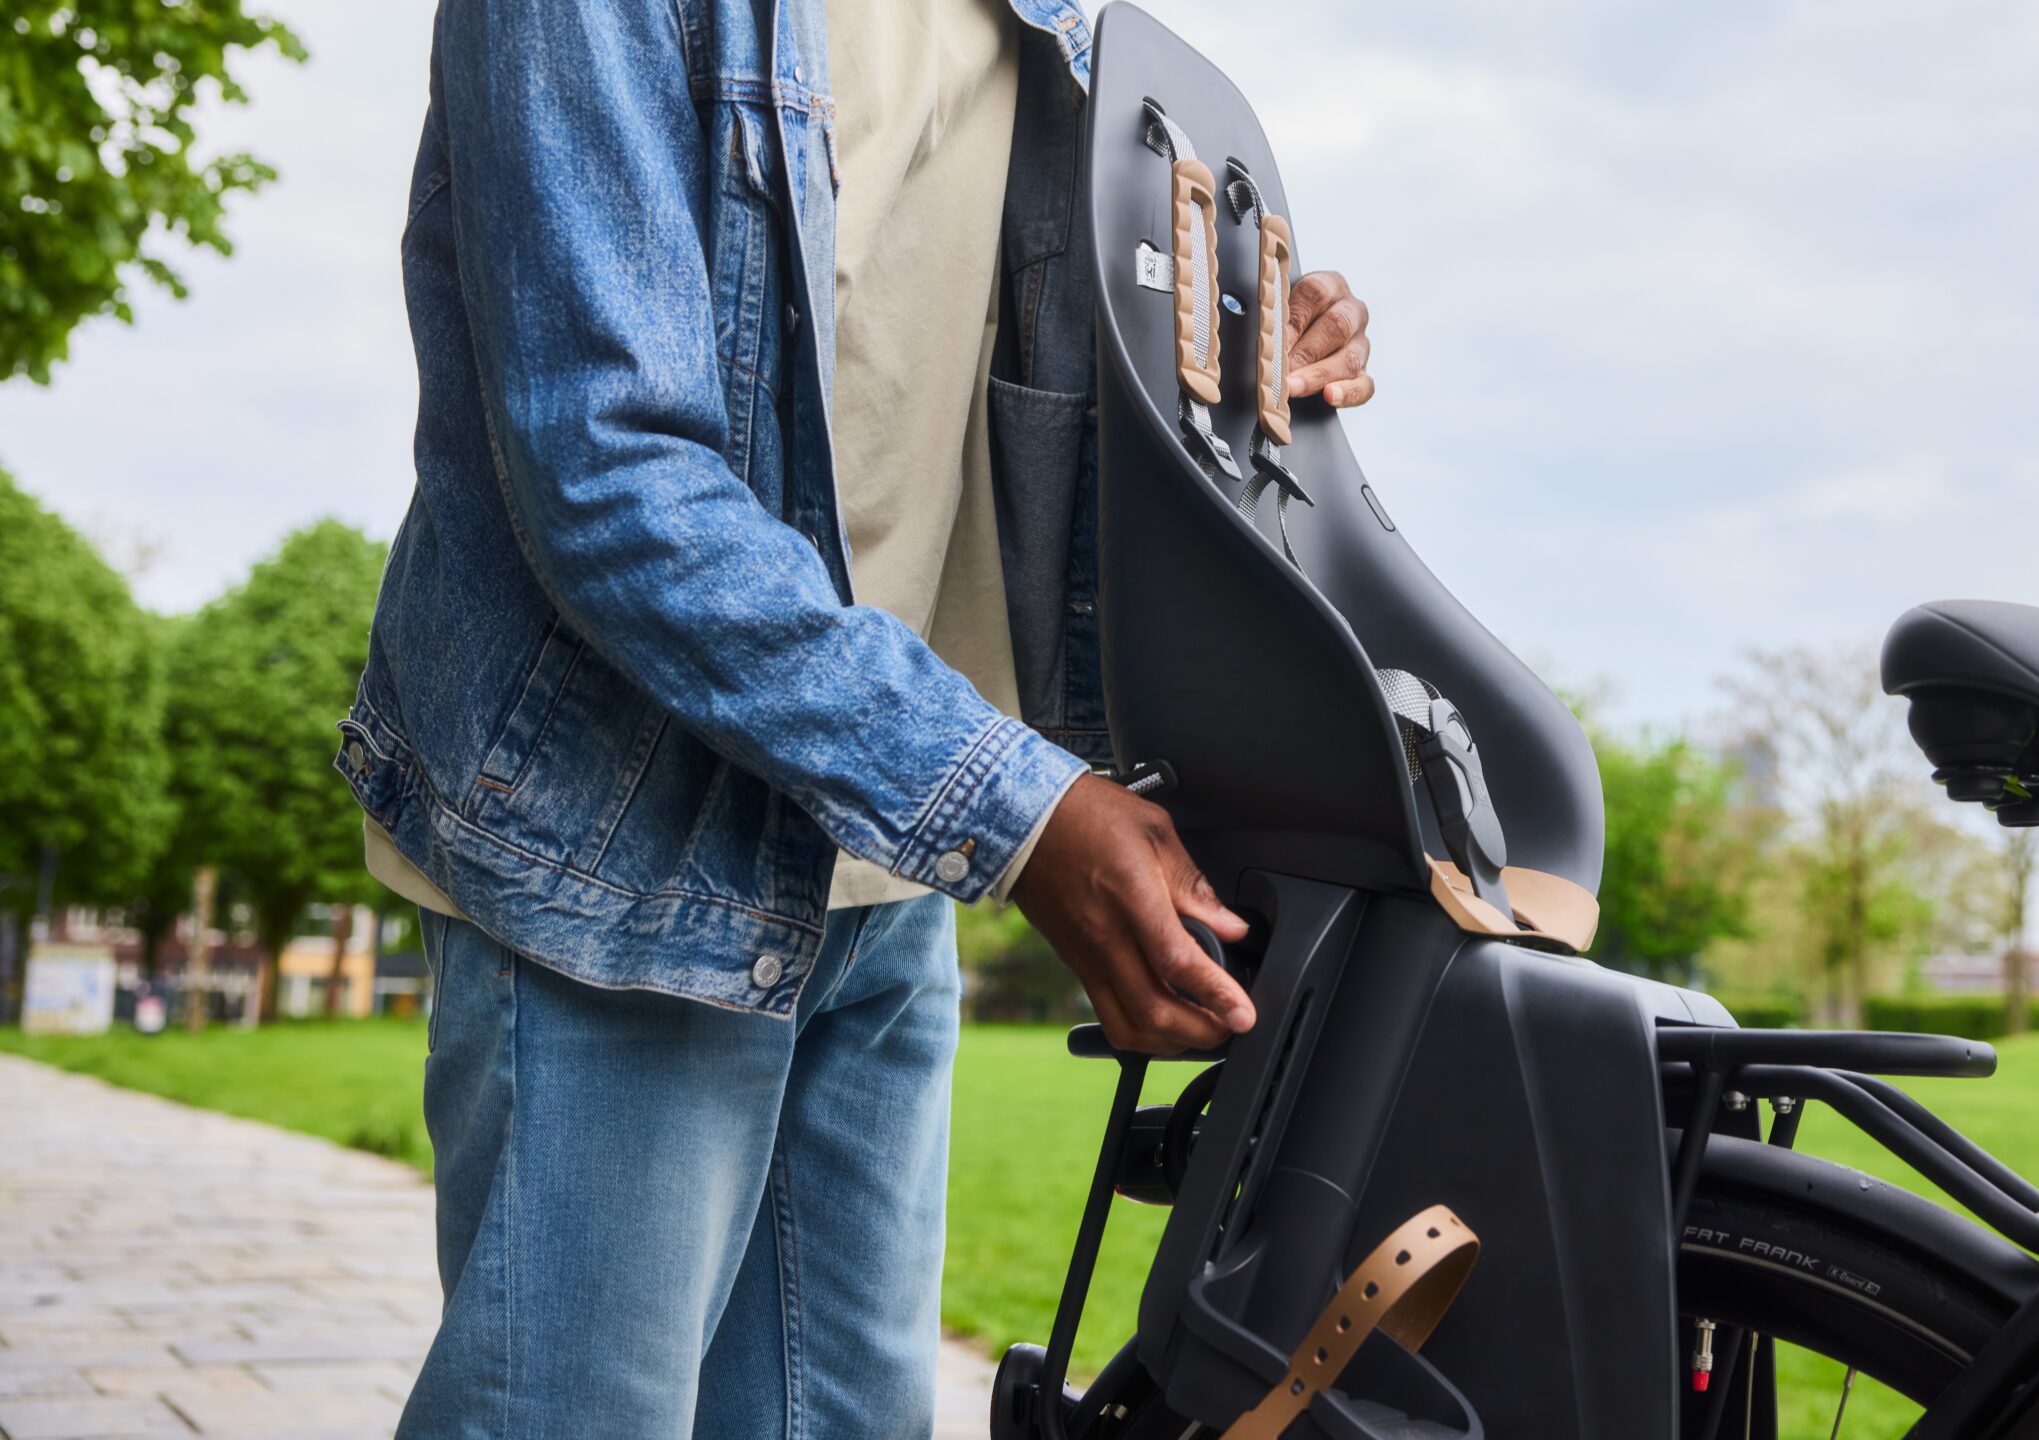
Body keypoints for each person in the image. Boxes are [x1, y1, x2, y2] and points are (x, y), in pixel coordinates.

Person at [340, 0, 1376, 1434]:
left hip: (886, 864)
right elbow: (609, 472)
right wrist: (1018, 811)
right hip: (621, 857)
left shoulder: (1056, 15)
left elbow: (1052, 362)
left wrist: (1253, 346)